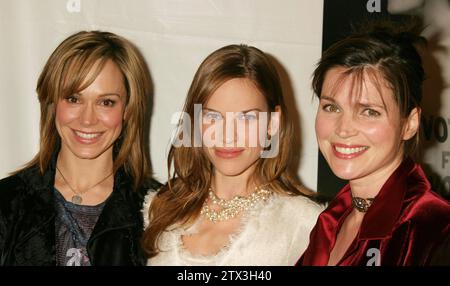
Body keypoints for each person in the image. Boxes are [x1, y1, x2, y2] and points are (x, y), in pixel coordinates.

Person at [141, 44, 323, 266]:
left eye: (246, 118)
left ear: (272, 123)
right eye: (213, 117)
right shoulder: (160, 208)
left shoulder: (304, 223)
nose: (227, 136)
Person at [0, 31, 160, 266]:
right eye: (73, 99)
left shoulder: (159, 213)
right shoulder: (6, 202)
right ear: (52, 103)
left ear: (128, 109)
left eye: (106, 102)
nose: (87, 120)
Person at [297, 21, 450, 266]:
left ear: (410, 123)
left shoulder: (435, 231)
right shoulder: (330, 221)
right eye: (331, 107)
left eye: (369, 111)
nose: (343, 129)